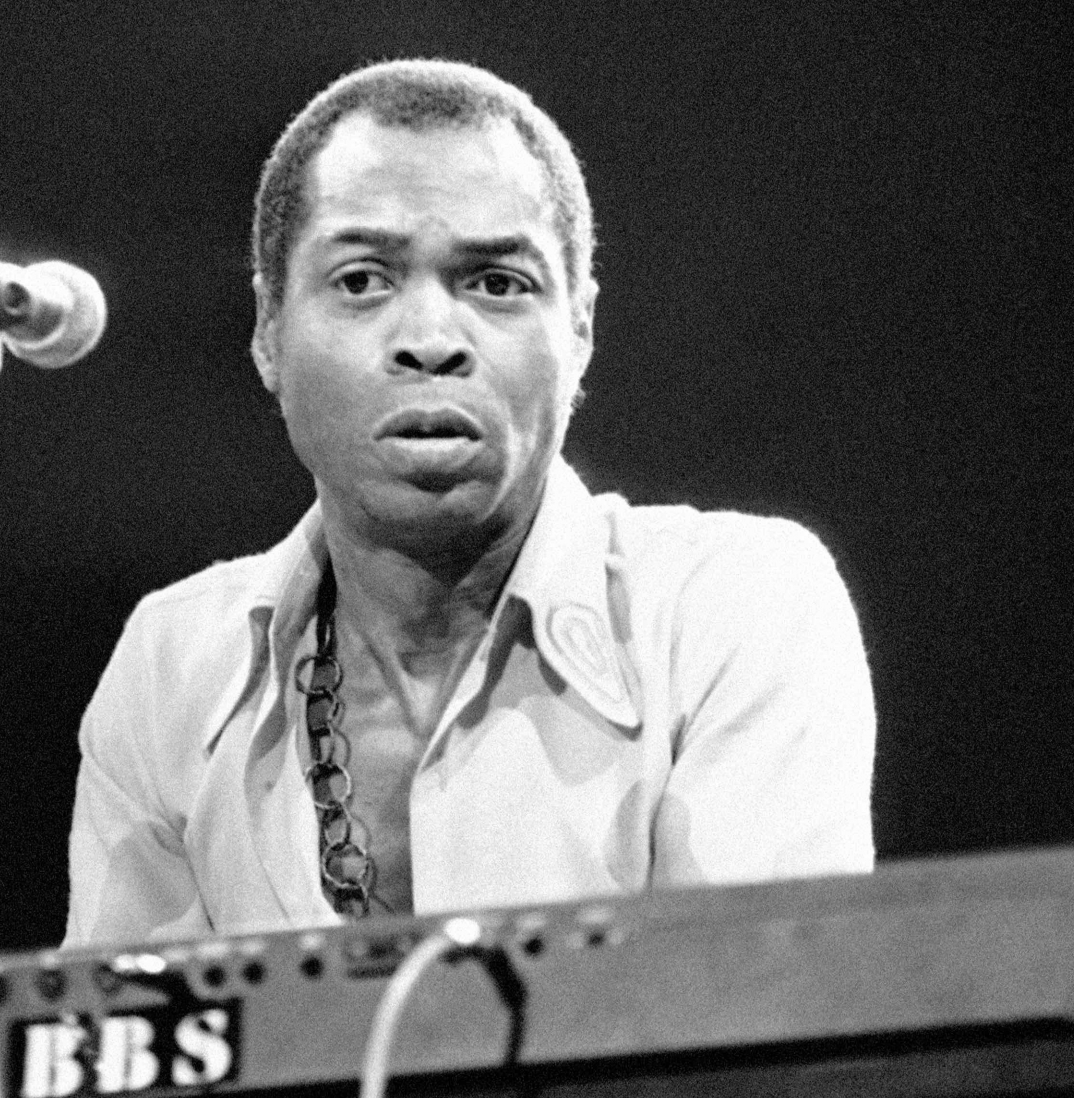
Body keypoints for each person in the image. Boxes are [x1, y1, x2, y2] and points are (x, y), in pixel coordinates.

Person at [63, 60, 873, 947]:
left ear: (581, 333)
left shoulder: (736, 607)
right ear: (267, 331)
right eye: (363, 280)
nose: (430, 341)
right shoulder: (170, 666)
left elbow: (754, 1027)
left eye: (496, 283)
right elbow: (123, 1066)